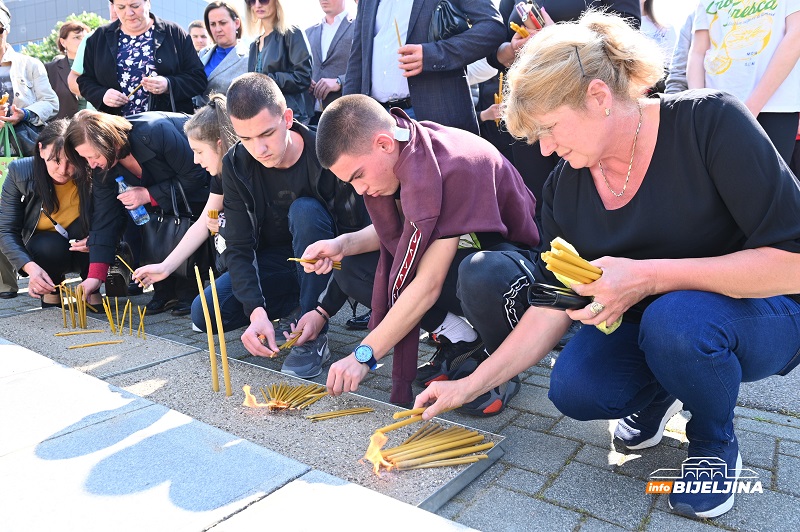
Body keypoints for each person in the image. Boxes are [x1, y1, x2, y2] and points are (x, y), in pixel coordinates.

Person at [416, 12, 800, 519]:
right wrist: (471, 383)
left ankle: (713, 438)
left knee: (676, 321)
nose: (547, 148)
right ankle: (666, 387)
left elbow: (792, 263)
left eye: (550, 128)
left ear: (598, 97)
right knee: (576, 389)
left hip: (759, 311)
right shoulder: (566, 186)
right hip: (658, 327)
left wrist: (650, 278)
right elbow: (553, 305)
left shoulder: (712, 123)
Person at [305, 94, 540, 410]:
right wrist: (341, 245)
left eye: (358, 175)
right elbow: (403, 232)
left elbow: (428, 285)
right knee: (353, 265)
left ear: (385, 144)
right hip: (460, 260)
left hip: (513, 268)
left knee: (479, 272)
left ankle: (497, 369)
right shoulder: (403, 154)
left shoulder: (452, 164)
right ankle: (461, 344)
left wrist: (364, 354)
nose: (359, 190)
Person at [207, 73, 366, 380]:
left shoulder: (326, 154)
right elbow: (238, 246)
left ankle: (312, 331)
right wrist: (256, 312)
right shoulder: (235, 165)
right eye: (246, 138)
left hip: (327, 259)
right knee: (208, 313)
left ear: (288, 118)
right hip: (278, 262)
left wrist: (322, 309)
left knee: (304, 210)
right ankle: (292, 311)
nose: (259, 148)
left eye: (266, 133)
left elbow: (356, 234)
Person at [63, 110, 211, 315]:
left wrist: (149, 195)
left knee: (179, 225)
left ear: (112, 142)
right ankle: (164, 290)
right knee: (152, 229)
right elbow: (105, 218)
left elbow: (196, 176)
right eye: (85, 158)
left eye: (94, 155)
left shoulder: (156, 131)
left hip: (197, 198)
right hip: (158, 216)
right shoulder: (101, 168)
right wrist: (95, 276)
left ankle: (189, 289)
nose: (92, 164)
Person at [343, 0, 506, 135]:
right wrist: (346, 117)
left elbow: (492, 28)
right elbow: (357, 58)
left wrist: (433, 55)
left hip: (435, 119)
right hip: (377, 120)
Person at [133, 94, 235, 294]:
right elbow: (203, 223)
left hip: (269, 257)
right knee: (202, 316)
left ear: (219, 143)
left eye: (199, 151)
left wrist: (228, 221)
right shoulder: (220, 176)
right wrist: (165, 267)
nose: (195, 161)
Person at [0, 119, 100, 308]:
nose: (63, 170)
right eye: (56, 160)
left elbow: (113, 216)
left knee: (90, 230)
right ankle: (51, 288)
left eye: (71, 162)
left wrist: (99, 238)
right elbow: (5, 229)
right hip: (44, 248)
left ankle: (91, 286)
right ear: (41, 149)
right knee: (48, 245)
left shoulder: (93, 169)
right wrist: (30, 268)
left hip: (84, 245)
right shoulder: (19, 172)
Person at [688, 0, 800, 163]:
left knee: (767, 185)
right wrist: (698, 108)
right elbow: (698, 51)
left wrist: (749, 110)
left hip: (773, 106)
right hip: (717, 110)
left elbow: (795, 37)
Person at [78, 0, 207, 116]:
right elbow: (85, 81)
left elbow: (198, 79)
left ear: (148, 3)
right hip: (115, 130)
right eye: (121, 7)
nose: (129, 13)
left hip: (165, 130)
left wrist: (168, 84)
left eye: (135, 6)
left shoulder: (174, 33)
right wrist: (102, 95)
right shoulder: (99, 37)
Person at [0, 1, 60, 153]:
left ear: (7, 29)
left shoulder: (29, 64)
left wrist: (25, 114)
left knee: (28, 175)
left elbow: (50, 102)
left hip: (26, 144)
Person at [244, 0, 313, 124]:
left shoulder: (292, 32)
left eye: (263, 0)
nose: (258, 5)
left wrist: (265, 81)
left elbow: (303, 77)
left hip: (290, 117)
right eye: (251, 1)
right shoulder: (254, 44)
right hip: (262, 117)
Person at [305, 0, 353, 125]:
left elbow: (366, 68)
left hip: (343, 115)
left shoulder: (359, 27)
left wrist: (339, 81)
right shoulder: (308, 32)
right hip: (310, 115)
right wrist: (305, 80)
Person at [195, 1, 249, 106]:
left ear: (236, 23)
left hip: (226, 120)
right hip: (195, 116)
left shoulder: (249, 58)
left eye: (223, 23)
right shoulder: (203, 53)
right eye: (213, 24)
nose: (218, 29)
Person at [45, 21, 90, 120]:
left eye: (85, 38)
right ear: (63, 42)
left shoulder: (97, 66)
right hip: (63, 130)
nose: (82, 41)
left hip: (95, 127)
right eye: (77, 37)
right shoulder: (50, 69)